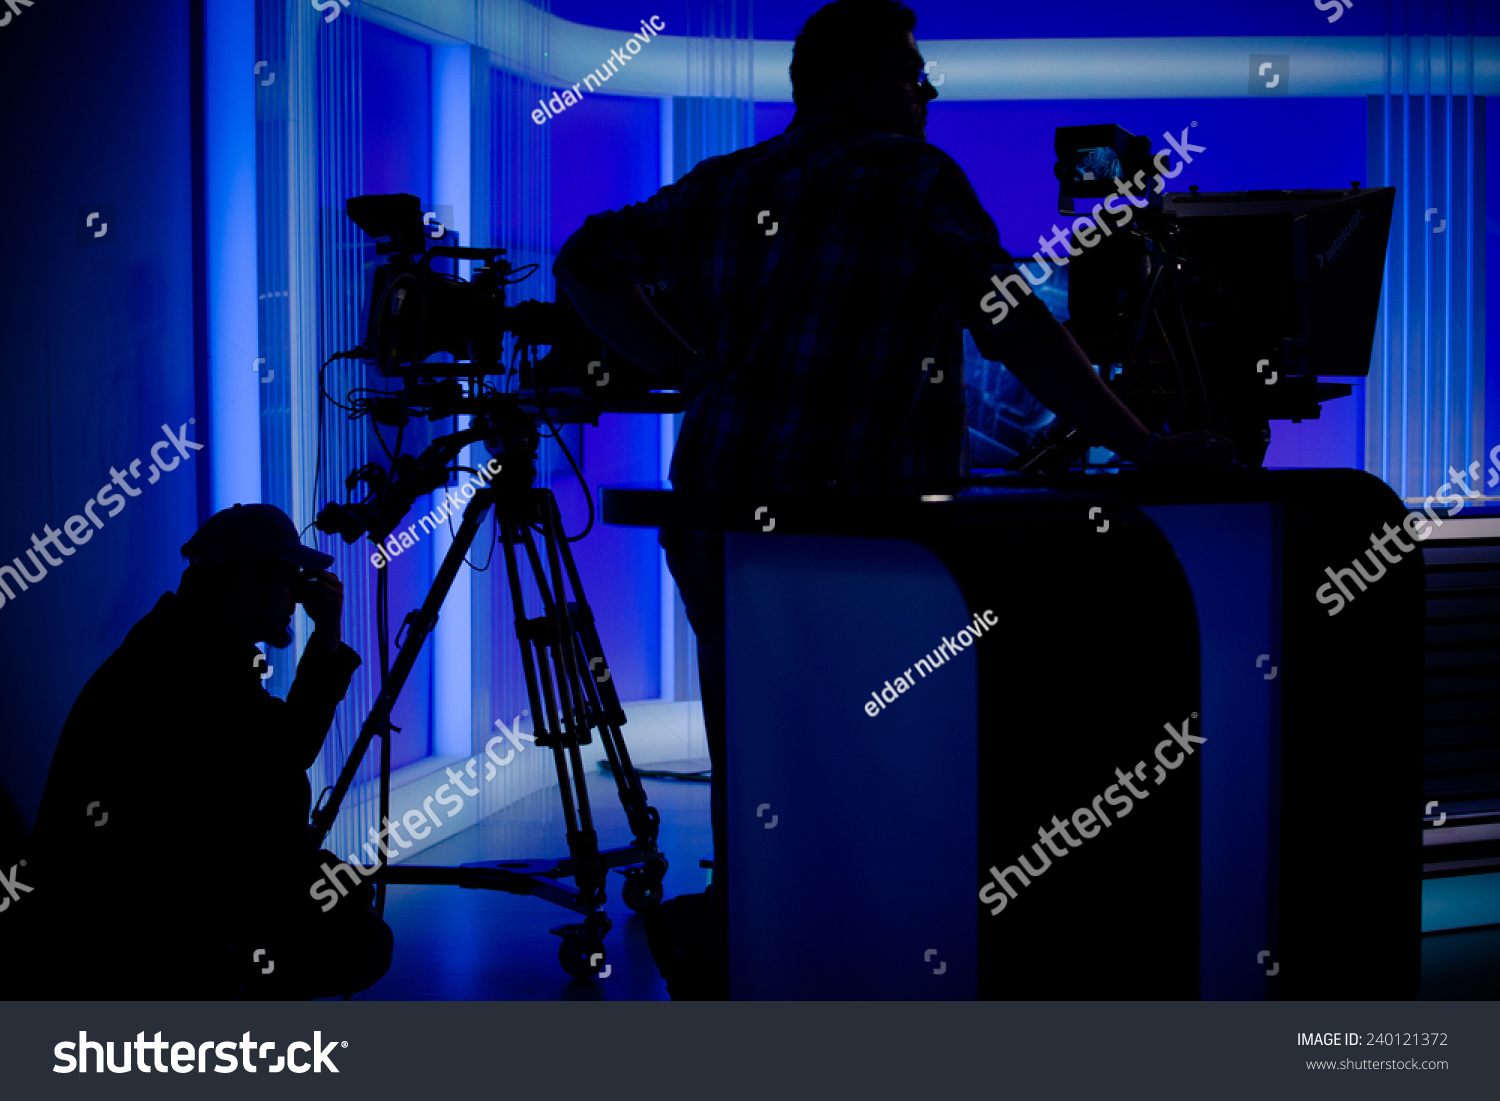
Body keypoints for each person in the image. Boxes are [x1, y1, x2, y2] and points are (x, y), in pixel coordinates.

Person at [552, 0, 1234, 997]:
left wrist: (679, 361)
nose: (927, 98)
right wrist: (1144, 442)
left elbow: (585, 262)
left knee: (760, 738)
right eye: (915, 79)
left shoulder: (729, 182)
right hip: (852, 526)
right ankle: (878, 970)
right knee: (873, 755)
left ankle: (762, 944)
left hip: (717, 507)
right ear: (862, 84)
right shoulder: (912, 178)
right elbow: (1012, 325)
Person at [19, 504, 391, 999]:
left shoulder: (183, 640)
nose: (294, 598)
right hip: (135, 914)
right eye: (287, 581)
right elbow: (288, 751)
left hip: (153, 884)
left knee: (341, 894)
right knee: (358, 940)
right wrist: (326, 636)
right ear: (245, 587)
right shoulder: (191, 663)